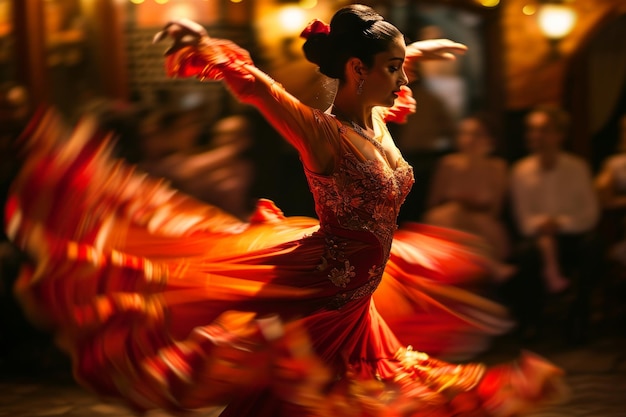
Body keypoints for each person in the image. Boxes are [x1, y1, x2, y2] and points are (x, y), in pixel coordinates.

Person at [5, 5, 565, 417]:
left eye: (402, 68)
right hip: (322, 297)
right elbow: (256, 88)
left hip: (359, 300)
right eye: (392, 68)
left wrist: (411, 54)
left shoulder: (374, 120)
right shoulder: (322, 135)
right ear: (356, 69)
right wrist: (207, 46)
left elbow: (383, 94)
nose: (403, 80)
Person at [508, 105, 601, 341]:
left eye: (543, 130)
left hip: (572, 236)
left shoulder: (577, 168)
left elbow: (589, 214)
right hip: (537, 238)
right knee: (527, 254)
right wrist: (542, 225)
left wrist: (559, 224)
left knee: (592, 248)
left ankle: (579, 318)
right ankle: (531, 322)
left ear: (559, 135)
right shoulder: (520, 171)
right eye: (532, 130)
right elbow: (523, 219)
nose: (535, 136)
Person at [423, 113, 512, 263]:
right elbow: (433, 203)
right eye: (464, 133)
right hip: (448, 223)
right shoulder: (448, 164)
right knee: (447, 216)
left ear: (490, 140)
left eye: (476, 135)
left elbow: (495, 211)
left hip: (481, 226)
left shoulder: (498, 167)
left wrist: (469, 207)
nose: (469, 140)